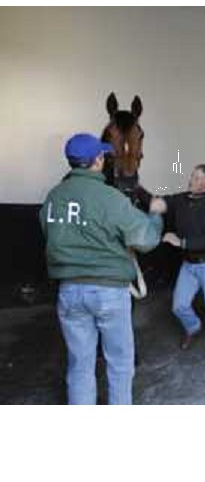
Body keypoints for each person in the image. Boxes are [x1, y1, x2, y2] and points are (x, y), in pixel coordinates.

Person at [39, 133, 163, 405]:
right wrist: (155, 215)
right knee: (119, 364)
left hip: (69, 292)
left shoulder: (53, 197)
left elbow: (50, 232)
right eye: (102, 155)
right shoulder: (110, 197)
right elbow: (146, 240)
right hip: (108, 292)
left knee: (79, 366)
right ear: (97, 160)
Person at [150, 164, 205, 366]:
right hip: (189, 264)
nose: (192, 180)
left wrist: (180, 242)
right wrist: (141, 193)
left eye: (198, 178)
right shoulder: (182, 199)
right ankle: (193, 327)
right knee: (179, 306)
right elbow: (161, 203)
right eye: (192, 176)